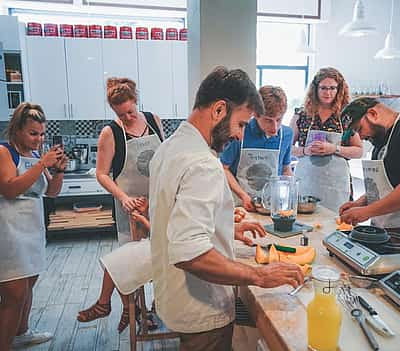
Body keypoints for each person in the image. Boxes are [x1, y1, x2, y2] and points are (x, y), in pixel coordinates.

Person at [149, 67, 304, 351]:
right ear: (220, 109)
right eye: (242, 124)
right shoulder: (203, 163)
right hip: (201, 308)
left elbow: (176, 217)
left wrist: (225, 226)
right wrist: (260, 275)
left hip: (173, 297)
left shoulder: (170, 146)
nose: (240, 135)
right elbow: (189, 252)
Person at [77, 77, 164, 332]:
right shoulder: (110, 132)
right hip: (130, 206)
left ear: (136, 101)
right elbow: (102, 174)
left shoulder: (153, 120)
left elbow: (165, 160)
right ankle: (134, 309)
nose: (127, 118)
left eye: (130, 111)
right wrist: (124, 198)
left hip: (157, 203)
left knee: (160, 257)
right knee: (129, 261)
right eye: (121, 114)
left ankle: (151, 309)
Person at [0, 103, 67, 350]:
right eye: (33, 133)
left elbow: (51, 192)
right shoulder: (5, 152)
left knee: (28, 287)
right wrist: (42, 165)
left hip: (32, 230)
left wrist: (58, 171)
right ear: (17, 130)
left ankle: (22, 333)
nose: (38, 139)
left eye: (41, 134)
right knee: (13, 295)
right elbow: (8, 189)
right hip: (8, 232)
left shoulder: (36, 155)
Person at [339, 97, 400, 238]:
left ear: (373, 114)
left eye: (359, 129)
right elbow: (387, 185)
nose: (362, 137)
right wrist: (360, 203)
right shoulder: (381, 142)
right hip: (393, 230)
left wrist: (367, 211)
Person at [290, 67, 363, 212]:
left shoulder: (345, 116)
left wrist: (334, 149)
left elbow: (358, 151)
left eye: (332, 88)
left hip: (336, 184)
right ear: (315, 89)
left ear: (339, 90)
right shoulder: (301, 114)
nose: (328, 93)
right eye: (323, 88)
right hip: (307, 180)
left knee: (337, 225)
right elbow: (287, 148)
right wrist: (305, 150)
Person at [220, 85, 293, 211]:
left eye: (279, 120)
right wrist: (243, 196)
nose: (275, 127)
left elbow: (286, 169)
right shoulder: (240, 131)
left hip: (272, 206)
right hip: (239, 204)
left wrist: (292, 193)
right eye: (268, 120)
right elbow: (223, 169)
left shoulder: (286, 135)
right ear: (256, 114)